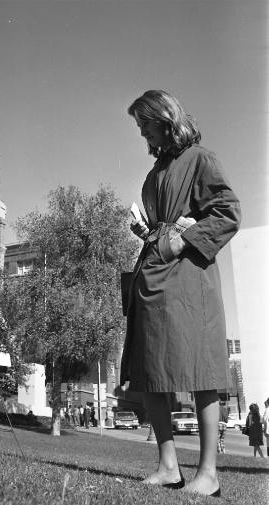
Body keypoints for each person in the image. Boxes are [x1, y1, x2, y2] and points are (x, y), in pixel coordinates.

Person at [120, 90, 241, 497]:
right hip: (153, 278)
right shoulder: (155, 174)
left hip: (189, 277)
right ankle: (168, 466)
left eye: (145, 125)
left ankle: (208, 473)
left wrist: (183, 239)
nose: (142, 134)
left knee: (201, 371)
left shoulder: (201, 159)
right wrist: (149, 232)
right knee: (153, 369)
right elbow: (163, 222)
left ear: (165, 119)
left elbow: (227, 212)